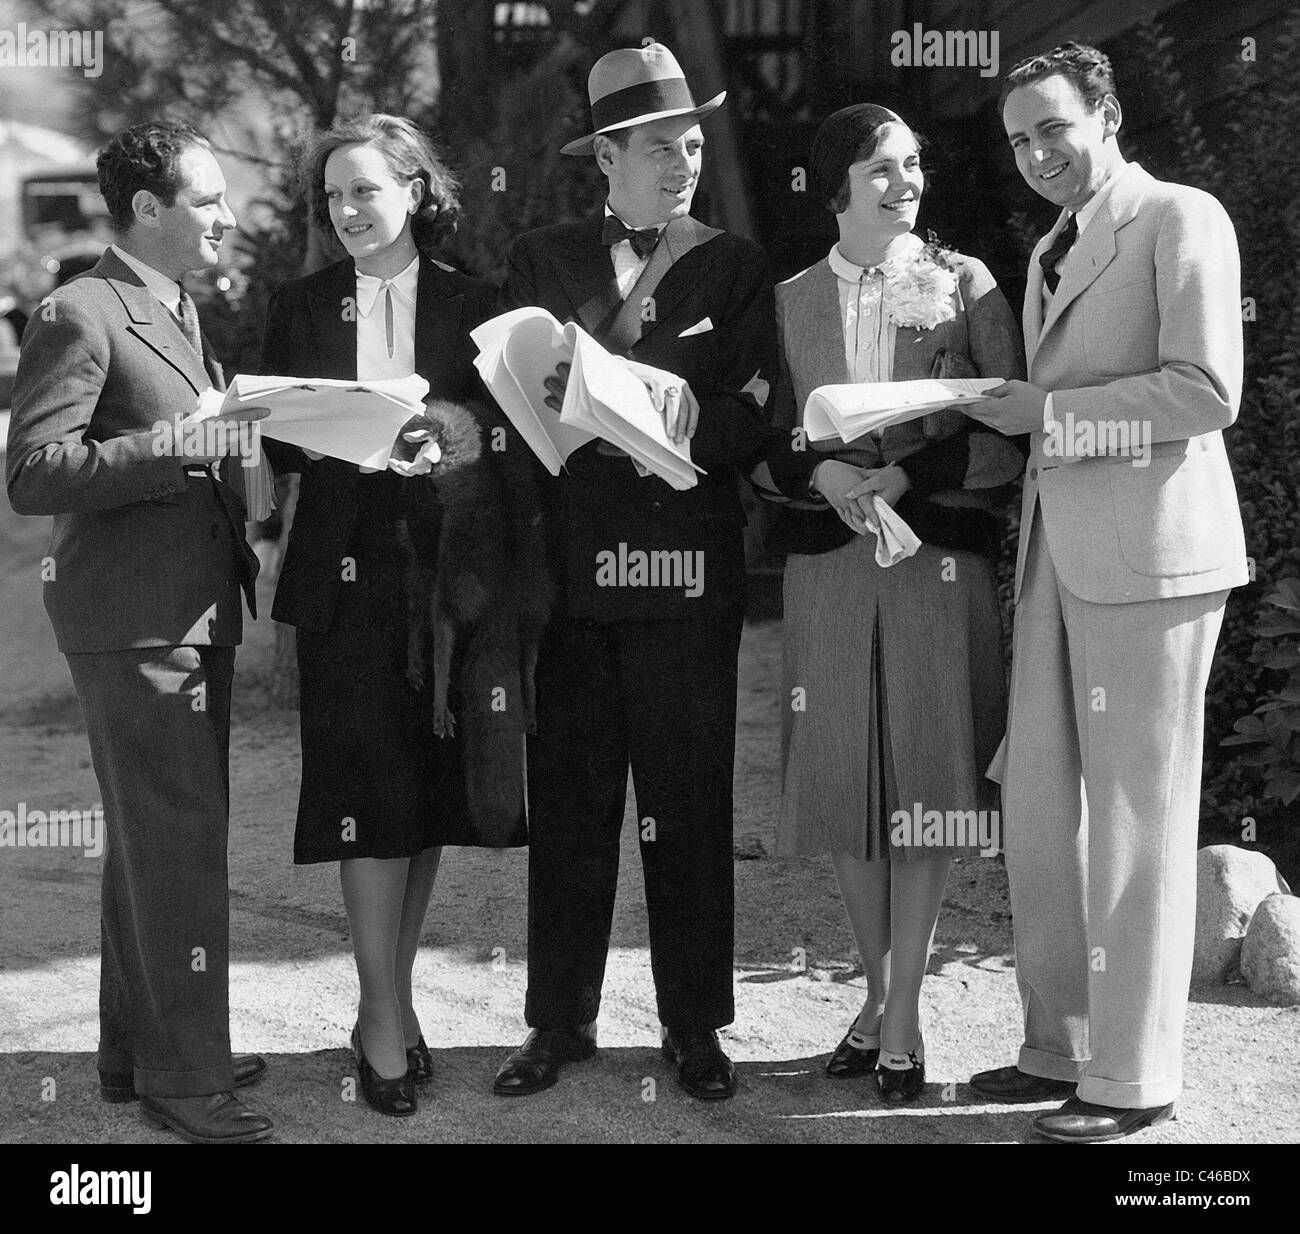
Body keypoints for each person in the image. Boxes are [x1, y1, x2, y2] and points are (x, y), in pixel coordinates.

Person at [966, 43, 1248, 1142]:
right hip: (1055, 556)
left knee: (1133, 819)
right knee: (1040, 812)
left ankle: (1133, 1081)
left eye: (1052, 128)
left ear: (1108, 116)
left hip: (1150, 562)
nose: (1036, 153)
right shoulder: (1049, 245)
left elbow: (1206, 391)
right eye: (1018, 139)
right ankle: (1058, 1046)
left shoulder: (1182, 218)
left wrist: (1048, 418)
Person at [491, 41, 778, 1101]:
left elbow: (760, 412)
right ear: (605, 156)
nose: (684, 164)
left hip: (687, 577)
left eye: (694, 145)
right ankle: (555, 1021)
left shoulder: (732, 264)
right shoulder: (542, 256)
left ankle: (695, 1025)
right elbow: (511, 405)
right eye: (661, 147)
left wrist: (685, 413)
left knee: (687, 801)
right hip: (571, 581)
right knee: (569, 805)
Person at [749, 104, 1026, 1102]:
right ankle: (884, 999)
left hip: (931, 568)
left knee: (930, 792)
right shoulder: (783, 301)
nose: (903, 180)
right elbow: (762, 438)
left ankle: (896, 1014)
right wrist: (817, 478)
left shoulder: (967, 285)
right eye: (879, 166)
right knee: (847, 790)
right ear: (835, 187)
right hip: (827, 565)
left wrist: (910, 479)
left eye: (912, 163)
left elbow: (1005, 429)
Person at [5, 121, 270, 1143]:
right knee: (179, 847)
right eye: (205, 200)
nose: (223, 218)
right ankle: (186, 1081)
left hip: (189, 607)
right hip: (133, 617)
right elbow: (33, 472)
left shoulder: (174, 305)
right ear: (148, 210)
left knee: (152, 842)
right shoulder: (78, 310)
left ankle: (138, 1052)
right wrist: (180, 446)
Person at [259, 113, 522, 1117]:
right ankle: (377, 1020)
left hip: (445, 584)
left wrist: (443, 437)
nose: (349, 210)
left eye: (367, 189)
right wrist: (286, 433)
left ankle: (394, 1003)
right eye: (333, 196)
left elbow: (500, 438)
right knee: (365, 797)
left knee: (419, 801)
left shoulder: (475, 302)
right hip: (340, 581)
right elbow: (277, 449)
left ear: (414, 189)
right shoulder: (299, 304)